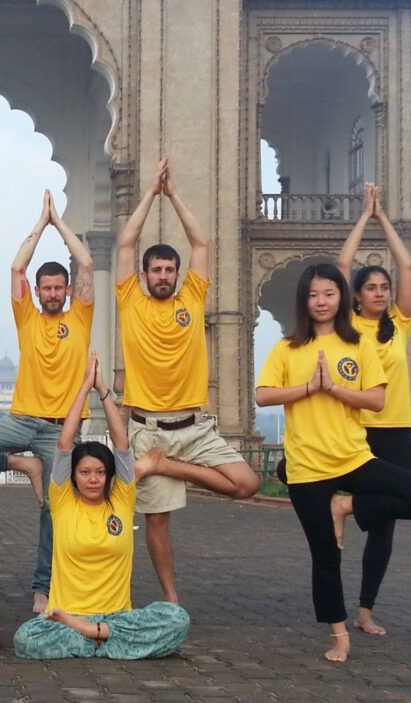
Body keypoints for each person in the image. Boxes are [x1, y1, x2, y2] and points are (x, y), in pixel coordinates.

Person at [256, 262, 411, 662]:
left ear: (341, 298)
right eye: (313, 295)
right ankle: (339, 636)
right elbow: (264, 396)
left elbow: (376, 399)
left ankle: (348, 505)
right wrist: (308, 387)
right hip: (307, 469)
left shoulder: (359, 345)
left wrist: (334, 389)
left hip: (353, 457)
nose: (321, 301)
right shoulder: (286, 348)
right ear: (304, 300)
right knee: (326, 557)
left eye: (329, 293)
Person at [116, 157, 259, 602]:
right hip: (147, 427)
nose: (162, 276)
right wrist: (148, 195)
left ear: (178, 276)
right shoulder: (131, 302)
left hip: (193, 428)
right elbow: (125, 244)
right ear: (143, 276)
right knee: (158, 520)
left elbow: (201, 241)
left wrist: (173, 194)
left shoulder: (193, 297)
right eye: (155, 270)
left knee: (246, 484)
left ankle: (166, 467)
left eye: (168, 270)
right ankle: (172, 599)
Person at [0, 189, 95, 613]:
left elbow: (88, 263)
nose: (52, 294)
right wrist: (41, 225)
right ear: (36, 292)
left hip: (61, 431)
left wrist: (62, 225)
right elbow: (17, 265)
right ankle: (19, 464)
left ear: (68, 289)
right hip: (21, 420)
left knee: (53, 510)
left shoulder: (81, 315)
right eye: (46, 288)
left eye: (59, 287)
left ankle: (43, 588)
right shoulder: (28, 317)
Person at [14, 354, 190, 660]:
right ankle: (104, 640)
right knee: (26, 640)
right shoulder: (63, 502)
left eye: (99, 473)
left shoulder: (121, 500)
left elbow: (122, 446)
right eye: (84, 472)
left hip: (115, 617)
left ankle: (95, 636)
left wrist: (104, 392)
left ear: (110, 476)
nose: (93, 480)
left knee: (177, 618)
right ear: (73, 476)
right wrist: (84, 389)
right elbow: (64, 446)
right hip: (66, 617)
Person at [334, 184, 411, 635]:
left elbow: (407, 264)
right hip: (359, 430)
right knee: (382, 511)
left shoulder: (399, 325)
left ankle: (365, 609)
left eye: (385, 287)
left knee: (388, 521)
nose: (382, 293)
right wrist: (363, 218)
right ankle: (345, 506)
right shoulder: (349, 327)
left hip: (398, 428)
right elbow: (342, 266)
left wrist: (384, 217)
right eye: (373, 288)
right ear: (358, 295)